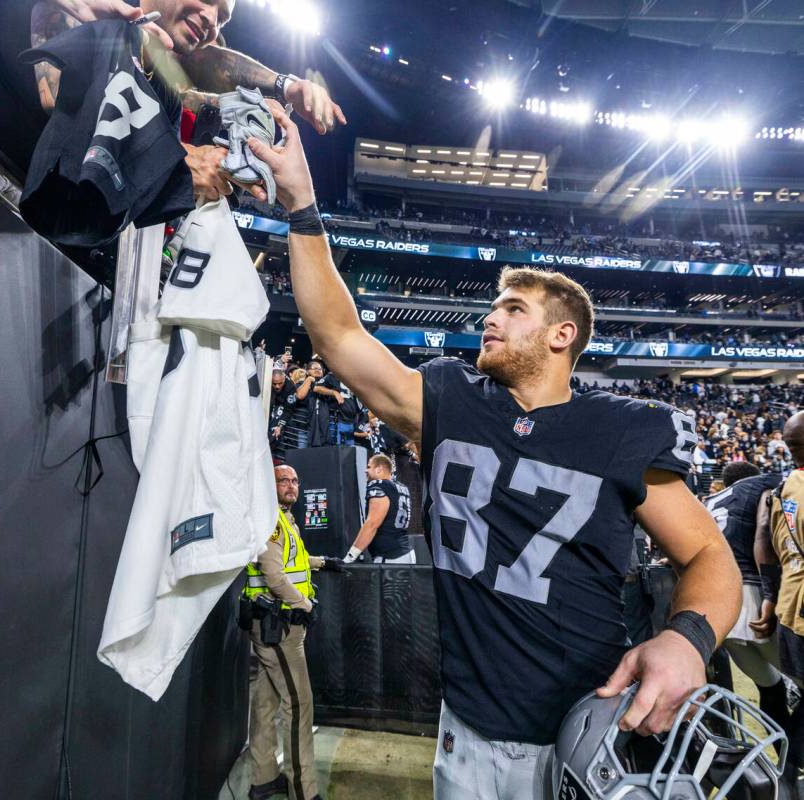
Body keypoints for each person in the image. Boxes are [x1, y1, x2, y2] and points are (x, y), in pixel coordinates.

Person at [248, 104, 742, 800]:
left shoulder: (621, 426)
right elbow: (337, 335)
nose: (491, 315)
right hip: (466, 732)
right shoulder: (451, 398)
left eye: (514, 308)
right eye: (494, 305)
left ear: (563, 335)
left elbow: (707, 555)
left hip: (584, 728)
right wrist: (302, 203)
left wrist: (687, 638)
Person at [30, 0, 345, 202]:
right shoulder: (84, 11)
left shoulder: (167, 60)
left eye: (223, 19)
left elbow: (209, 61)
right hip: (3, 203)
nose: (211, 19)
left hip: (97, 248)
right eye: (208, 0)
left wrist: (286, 85)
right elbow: (63, 104)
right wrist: (178, 159)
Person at [241, 464, 345, 800]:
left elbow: (292, 560)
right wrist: (307, 605)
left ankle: (263, 780)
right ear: (267, 484)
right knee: (299, 707)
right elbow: (274, 577)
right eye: (283, 480)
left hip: (275, 625)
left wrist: (322, 562)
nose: (292, 485)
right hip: (280, 629)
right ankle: (304, 790)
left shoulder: (282, 518)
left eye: (296, 480)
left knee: (264, 705)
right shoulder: (270, 520)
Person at [703, 462, 787, 731]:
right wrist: (771, 593)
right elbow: (764, 534)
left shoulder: (710, 501)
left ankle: (785, 768)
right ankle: (793, 758)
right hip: (749, 597)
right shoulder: (764, 484)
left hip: (715, 609)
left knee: (770, 686)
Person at [755, 410, 804, 793]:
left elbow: (767, 550)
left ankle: (787, 770)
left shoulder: (781, 489)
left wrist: (770, 599)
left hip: (790, 608)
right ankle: (787, 772)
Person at [344, 454, 414, 565]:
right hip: (405, 551)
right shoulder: (401, 487)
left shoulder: (378, 485)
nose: (366, 471)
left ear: (379, 469)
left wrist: (350, 556)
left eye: (369, 467)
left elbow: (372, 524)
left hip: (390, 556)